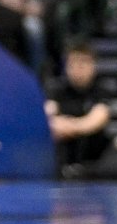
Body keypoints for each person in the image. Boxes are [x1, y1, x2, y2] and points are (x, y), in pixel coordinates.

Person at [45, 40, 111, 177]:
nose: (78, 68)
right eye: (73, 63)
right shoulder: (57, 89)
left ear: (93, 65)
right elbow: (47, 116)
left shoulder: (101, 90)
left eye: (83, 63)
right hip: (61, 158)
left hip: (93, 160)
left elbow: (97, 120)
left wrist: (69, 126)